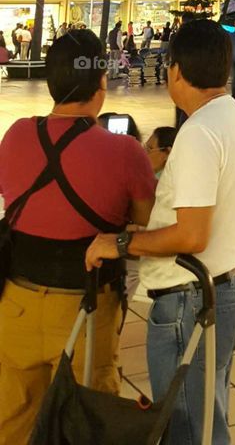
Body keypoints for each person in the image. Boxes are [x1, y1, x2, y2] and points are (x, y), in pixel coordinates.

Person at [87, 18, 235, 445]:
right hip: (227, 286)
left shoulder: (200, 133)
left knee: (185, 426)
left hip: (191, 301)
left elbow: (191, 237)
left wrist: (121, 243)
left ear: (177, 70)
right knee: (206, 418)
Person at [0, 31, 156, 444]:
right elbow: (143, 222)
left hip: (15, 304)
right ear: (101, 81)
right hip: (87, 312)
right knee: (88, 425)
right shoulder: (125, 152)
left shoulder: (15, 135)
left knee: (11, 420)